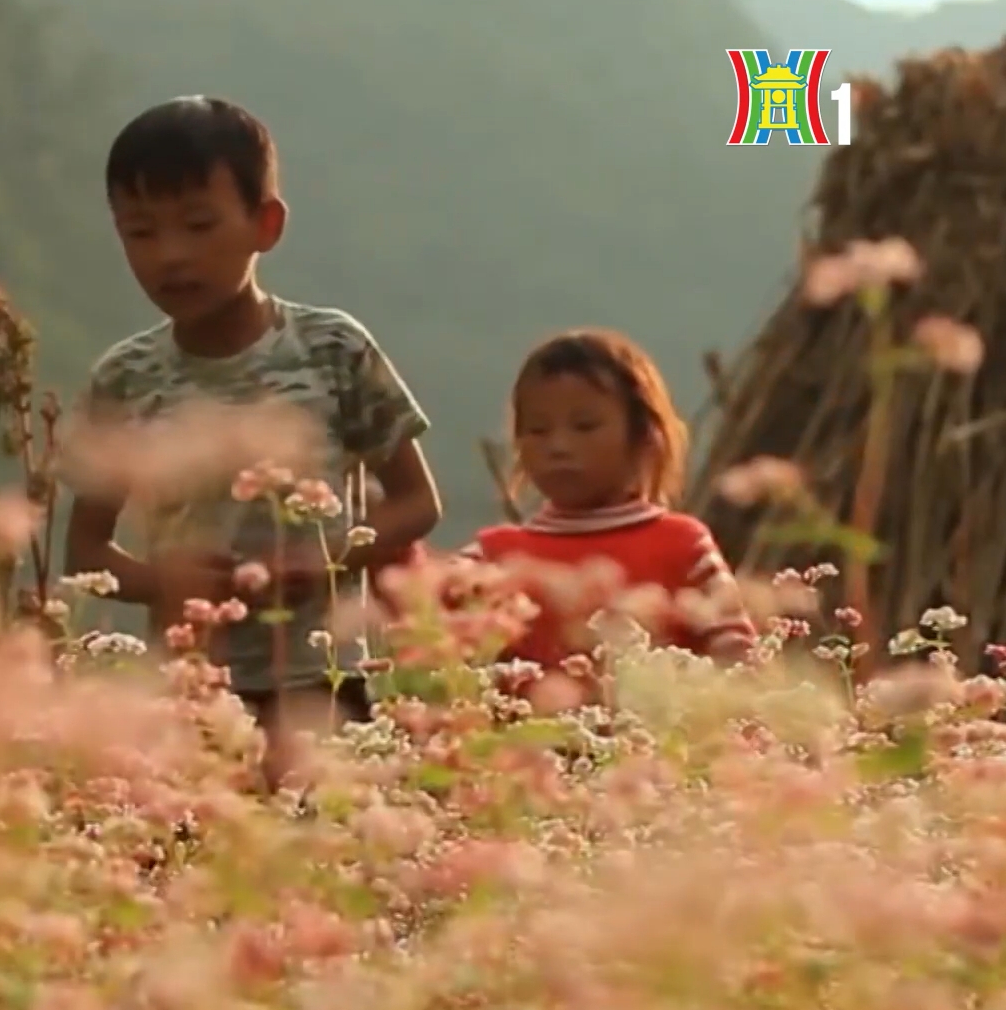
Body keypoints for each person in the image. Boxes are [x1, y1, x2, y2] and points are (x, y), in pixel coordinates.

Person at [61, 96, 443, 771]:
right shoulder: (125, 378)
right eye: (141, 233)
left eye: (199, 225)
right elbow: (85, 549)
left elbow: (416, 503)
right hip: (190, 694)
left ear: (265, 224)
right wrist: (161, 580)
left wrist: (321, 566)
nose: (171, 256)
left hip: (323, 684)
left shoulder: (332, 348)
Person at [460, 329, 756, 686]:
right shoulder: (493, 557)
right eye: (537, 430)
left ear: (643, 436)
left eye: (585, 426)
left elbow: (741, 665)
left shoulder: (682, 545)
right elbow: (427, 627)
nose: (558, 446)